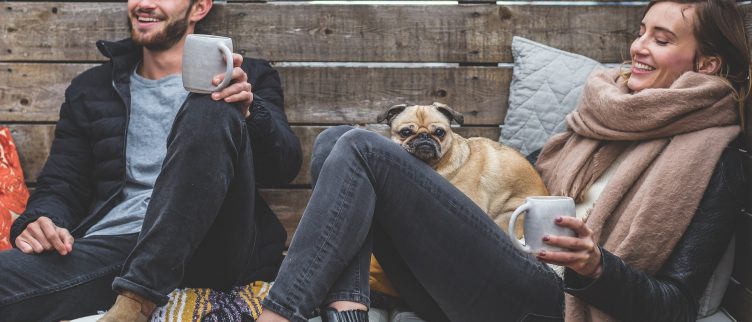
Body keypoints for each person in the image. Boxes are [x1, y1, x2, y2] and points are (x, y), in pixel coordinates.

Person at [255, 0, 748, 321]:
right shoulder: (608, 114)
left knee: (359, 146)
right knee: (336, 140)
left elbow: (679, 305)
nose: (638, 47)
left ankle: (279, 314)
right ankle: (347, 311)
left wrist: (596, 268)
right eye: (641, 31)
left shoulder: (712, 157)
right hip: (489, 275)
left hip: (552, 302)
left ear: (706, 65)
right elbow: (532, 179)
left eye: (661, 40)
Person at [0, 0, 302, 320]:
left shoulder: (248, 76)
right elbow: (63, 184)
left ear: (199, 7)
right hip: (117, 249)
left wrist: (250, 111)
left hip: (211, 243)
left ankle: (138, 299)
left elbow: (283, 167)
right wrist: (42, 219)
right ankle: (137, 286)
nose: (144, 3)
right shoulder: (91, 89)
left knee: (215, 100)